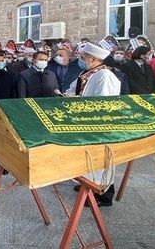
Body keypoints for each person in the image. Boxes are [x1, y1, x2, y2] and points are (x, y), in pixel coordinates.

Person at [66, 43, 121, 206]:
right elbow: (75, 90)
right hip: (84, 124)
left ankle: (103, 194)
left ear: (94, 59)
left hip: (100, 126)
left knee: (101, 161)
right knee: (88, 159)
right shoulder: (87, 73)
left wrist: (77, 102)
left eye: (83, 58)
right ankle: (88, 185)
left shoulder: (104, 75)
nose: (80, 61)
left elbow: (102, 104)